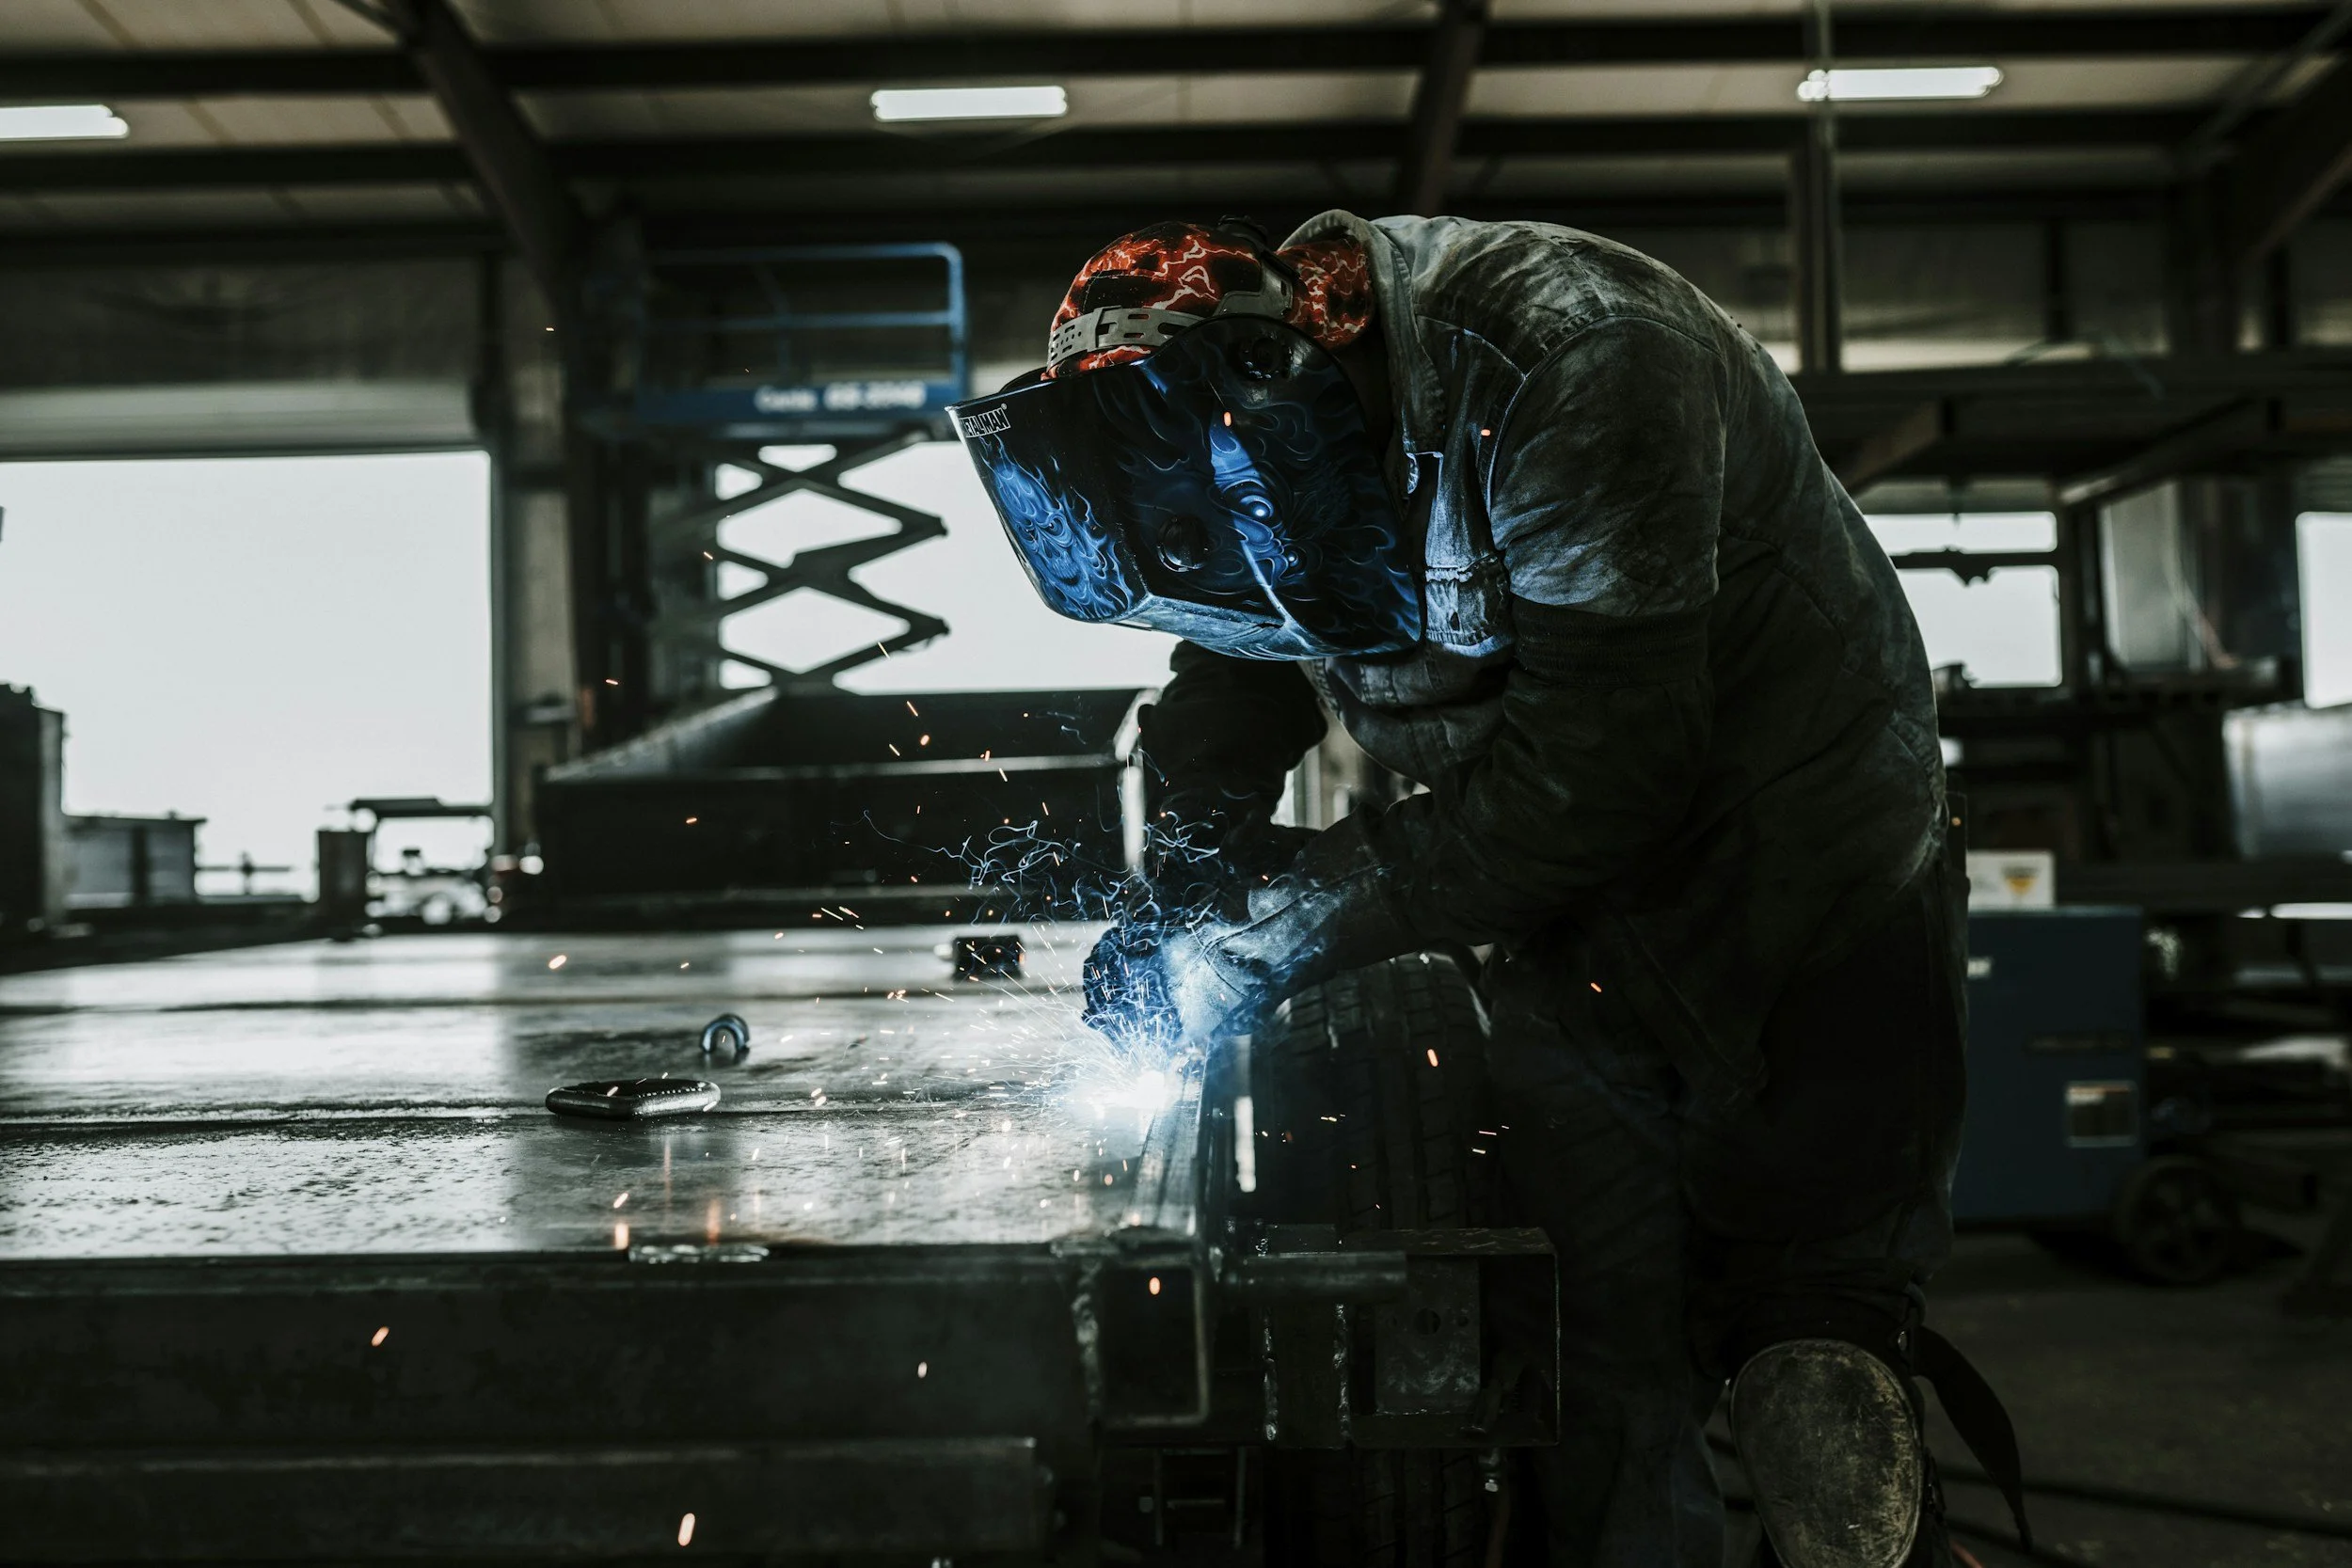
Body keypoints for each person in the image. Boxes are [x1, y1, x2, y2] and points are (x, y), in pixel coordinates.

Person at [950, 214, 2021, 1568]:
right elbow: (1243, 658)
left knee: (1811, 1353)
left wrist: (1254, 949)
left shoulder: (1575, 356)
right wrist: (1182, 882)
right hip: (1559, 922)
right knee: (1594, 1363)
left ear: (1300, 375)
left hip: (1803, 882)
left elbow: (1597, 780)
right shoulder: (1253, 440)